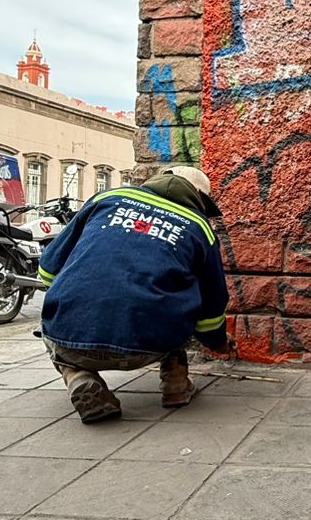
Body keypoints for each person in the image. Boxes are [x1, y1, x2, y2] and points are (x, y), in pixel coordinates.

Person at [35, 165, 231, 422]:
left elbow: (47, 271)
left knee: (52, 322)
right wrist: (218, 342)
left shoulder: (105, 199)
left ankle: (78, 376)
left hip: (72, 341)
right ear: (199, 197)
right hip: (152, 344)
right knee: (177, 297)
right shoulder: (198, 226)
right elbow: (211, 306)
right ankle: (176, 384)